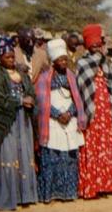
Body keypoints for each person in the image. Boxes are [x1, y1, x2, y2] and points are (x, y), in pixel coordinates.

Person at [0, 36, 39, 210]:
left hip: (23, 120)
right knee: (9, 154)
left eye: (12, 57)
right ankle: (9, 196)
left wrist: (30, 97)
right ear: (0, 57)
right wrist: (21, 101)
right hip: (6, 122)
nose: (10, 60)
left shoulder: (21, 73)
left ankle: (26, 195)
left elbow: (30, 89)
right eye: (7, 57)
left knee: (24, 152)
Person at [35, 39, 87, 203]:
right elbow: (42, 102)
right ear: (53, 61)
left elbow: (77, 98)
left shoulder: (71, 76)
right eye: (61, 60)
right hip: (52, 121)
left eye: (65, 59)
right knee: (52, 157)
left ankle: (68, 193)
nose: (64, 62)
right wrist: (58, 114)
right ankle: (50, 194)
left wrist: (70, 112)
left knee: (69, 158)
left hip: (69, 119)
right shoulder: (44, 78)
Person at [75, 24, 112, 199]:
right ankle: (91, 185)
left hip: (105, 108)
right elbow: (82, 85)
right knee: (92, 144)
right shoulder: (82, 62)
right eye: (93, 43)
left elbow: (111, 84)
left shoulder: (105, 62)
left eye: (98, 42)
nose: (96, 46)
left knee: (105, 144)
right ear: (87, 44)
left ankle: (104, 184)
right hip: (91, 108)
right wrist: (99, 57)